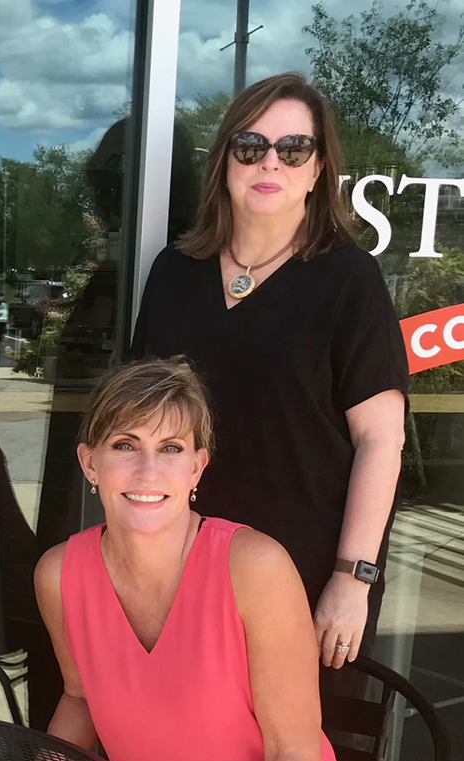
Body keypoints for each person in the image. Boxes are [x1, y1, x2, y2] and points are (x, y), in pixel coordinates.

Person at [130, 73, 408, 673]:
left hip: (302, 571)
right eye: (250, 146)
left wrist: (351, 579)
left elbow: (381, 440)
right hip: (175, 561)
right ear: (226, 161)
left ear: (317, 170)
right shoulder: (175, 272)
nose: (270, 162)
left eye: (294, 149)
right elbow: (136, 421)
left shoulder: (348, 280)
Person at [35, 357, 344, 761]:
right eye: (125, 445)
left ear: (196, 467)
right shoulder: (58, 575)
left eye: (171, 449)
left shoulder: (255, 567)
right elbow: (81, 698)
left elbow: (293, 751)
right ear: (91, 463)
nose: (148, 472)